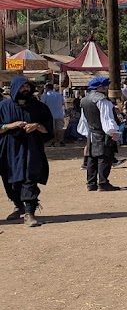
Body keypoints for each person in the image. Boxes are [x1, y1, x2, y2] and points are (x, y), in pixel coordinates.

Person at [0, 77, 52, 227]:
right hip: (9, 149)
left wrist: (37, 126)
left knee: (30, 177)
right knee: (10, 179)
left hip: (31, 148)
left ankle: (30, 212)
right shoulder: (3, 106)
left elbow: (48, 129)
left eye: (27, 86)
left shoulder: (40, 107)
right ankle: (18, 206)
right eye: (22, 87)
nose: (25, 89)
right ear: (15, 88)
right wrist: (10, 126)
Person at [79, 76, 122, 192]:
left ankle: (91, 183)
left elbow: (84, 119)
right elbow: (107, 118)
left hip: (92, 132)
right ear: (100, 87)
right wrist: (112, 132)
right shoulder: (102, 100)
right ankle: (103, 183)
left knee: (92, 158)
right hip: (103, 133)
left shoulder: (84, 100)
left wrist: (86, 132)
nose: (107, 87)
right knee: (104, 158)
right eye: (105, 85)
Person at [41, 83, 67, 147]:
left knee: (52, 129)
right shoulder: (59, 95)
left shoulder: (45, 96)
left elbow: (42, 105)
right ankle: (60, 141)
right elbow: (63, 103)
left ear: (47, 88)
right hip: (59, 114)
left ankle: (53, 141)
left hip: (49, 115)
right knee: (59, 128)